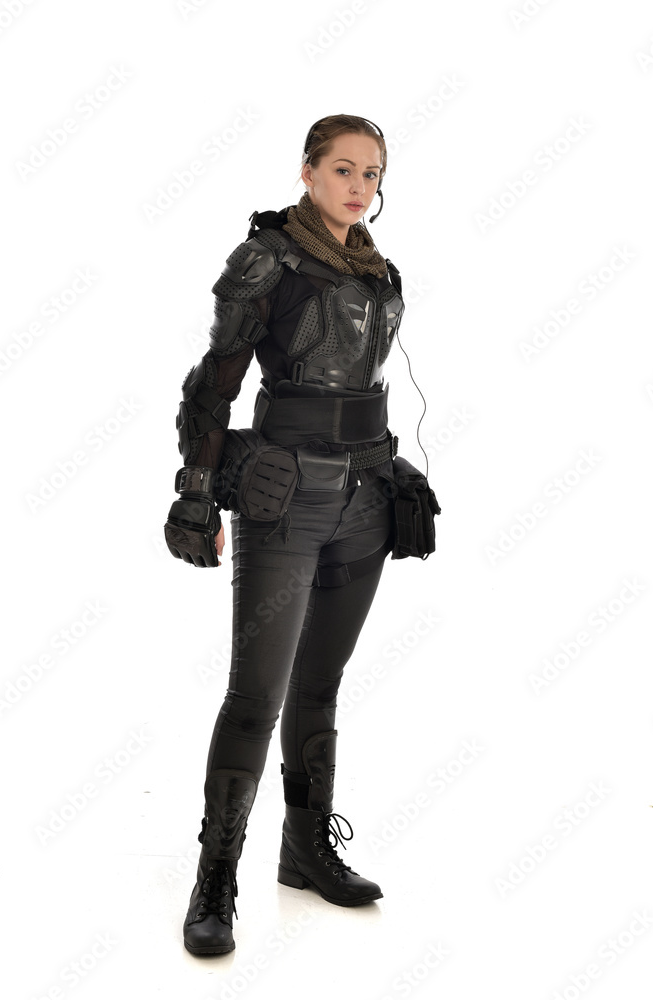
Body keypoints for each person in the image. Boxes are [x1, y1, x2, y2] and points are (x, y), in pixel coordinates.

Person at [165, 114, 408, 957]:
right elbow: (211, 388)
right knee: (254, 696)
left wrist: (394, 470)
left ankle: (305, 851)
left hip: (363, 501)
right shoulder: (267, 260)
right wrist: (196, 495)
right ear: (307, 172)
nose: (359, 186)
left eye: (372, 174)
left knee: (320, 686)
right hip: (285, 497)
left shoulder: (377, 270)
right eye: (343, 169)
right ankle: (215, 879)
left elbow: (363, 386)